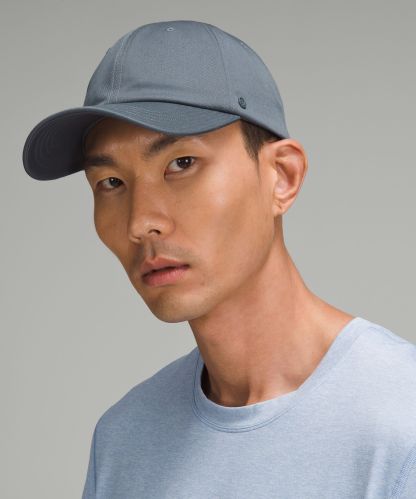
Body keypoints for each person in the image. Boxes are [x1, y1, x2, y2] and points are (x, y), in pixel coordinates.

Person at [22, 19, 416, 499]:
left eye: (181, 163)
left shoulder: (401, 422)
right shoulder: (124, 439)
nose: (140, 222)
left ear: (282, 176)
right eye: (112, 183)